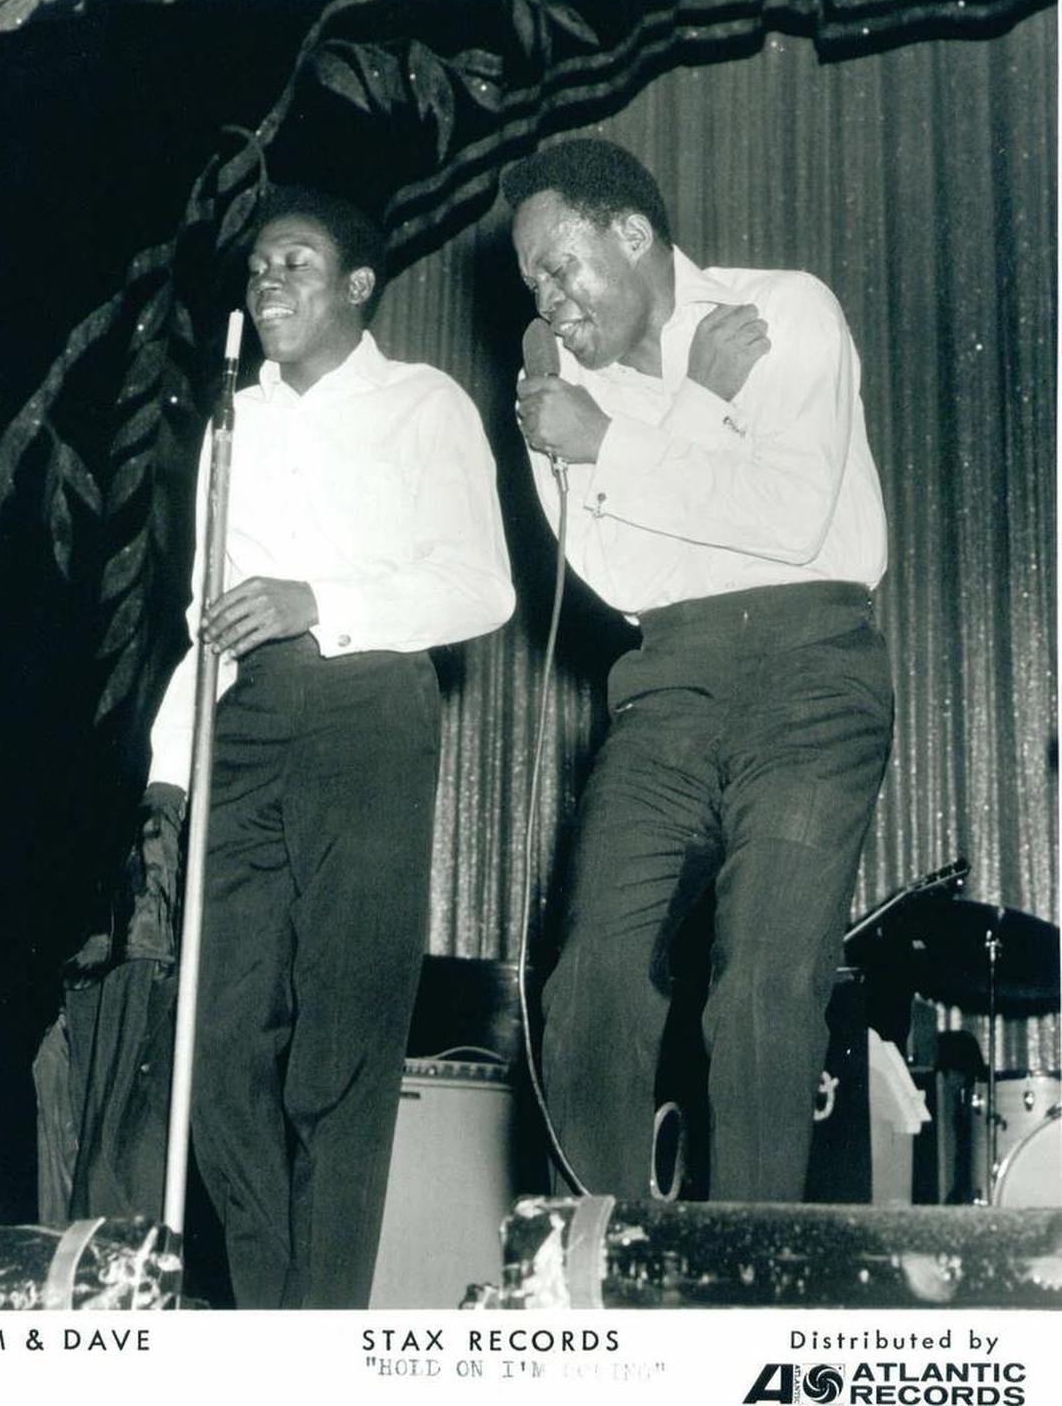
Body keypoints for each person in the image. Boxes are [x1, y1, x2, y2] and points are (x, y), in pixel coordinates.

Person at [144, 184, 515, 1307]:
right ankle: (269, 1326)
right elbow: (203, 620)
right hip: (242, 720)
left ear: (358, 285)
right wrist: (169, 778)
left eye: (295, 262)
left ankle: (323, 1334)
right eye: (258, 268)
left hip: (370, 709)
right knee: (218, 1051)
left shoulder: (423, 404)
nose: (268, 284)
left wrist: (322, 599)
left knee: (339, 1055)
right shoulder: (226, 424)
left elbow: (483, 586)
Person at [503, 138, 892, 1203]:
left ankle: (750, 1279)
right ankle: (602, 1264)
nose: (549, 298)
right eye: (533, 278)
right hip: (668, 680)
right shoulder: (555, 399)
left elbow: (790, 514)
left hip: (815, 671)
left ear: (632, 233)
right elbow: (625, 573)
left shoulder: (783, 311)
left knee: (765, 985)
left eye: (560, 264)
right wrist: (696, 411)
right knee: (585, 979)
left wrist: (617, 446)